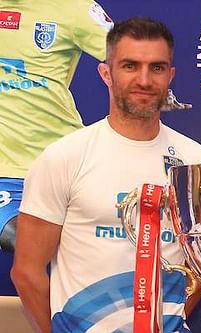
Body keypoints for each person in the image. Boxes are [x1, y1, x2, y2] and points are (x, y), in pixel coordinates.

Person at [11, 17, 201, 333]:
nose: (144, 80)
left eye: (157, 68)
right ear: (106, 73)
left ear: (170, 76)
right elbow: (27, 270)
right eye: (130, 66)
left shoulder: (197, 161)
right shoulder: (64, 156)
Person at [0, 0, 113, 296]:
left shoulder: (74, 7)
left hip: (64, 166)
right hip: (5, 174)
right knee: (24, 242)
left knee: (100, 249)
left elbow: (126, 53)